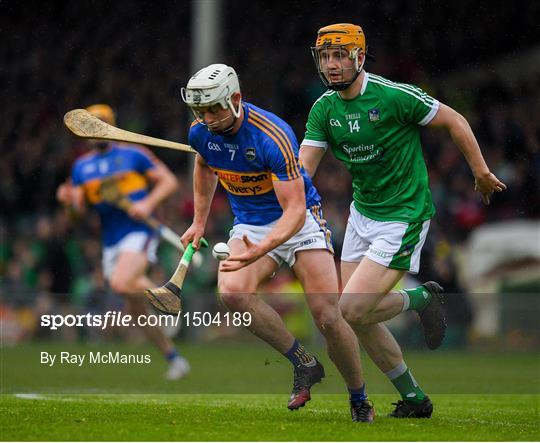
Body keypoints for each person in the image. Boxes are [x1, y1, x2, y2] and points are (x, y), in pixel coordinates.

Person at [300, 23, 507, 418]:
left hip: (404, 215)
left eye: (340, 55)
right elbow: (302, 171)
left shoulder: (393, 95)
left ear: (359, 57)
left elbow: (455, 121)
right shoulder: (324, 108)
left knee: (352, 310)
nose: (331, 64)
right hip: (363, 214)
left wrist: (480, 171)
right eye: (325, 56)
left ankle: (421, 297)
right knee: (358, 318)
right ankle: (414, 399)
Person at [180, 64, 374, 422]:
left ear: (235, 99)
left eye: (214, 109)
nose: (207, 119)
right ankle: (304, 362)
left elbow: (294, 211)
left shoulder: (273, 136)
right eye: (200, 112)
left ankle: (359, 398)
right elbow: (205, 166)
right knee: (233, 294)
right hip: (250, 223)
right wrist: (199, 222)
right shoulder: (201, 133)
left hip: (300, 222)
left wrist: (262, 248)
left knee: (328, 316)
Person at [56, 104, 190, 380]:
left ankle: (167, 301)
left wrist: (148, 203)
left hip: (139, 230)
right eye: (90, 126)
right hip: (111, 239)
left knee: (120, 282)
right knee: (135, 311)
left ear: (111, 126)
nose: (95, 131)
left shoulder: (134, 154)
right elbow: (77, 213)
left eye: (101, 124)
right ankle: (174, 359)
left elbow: (168, 182)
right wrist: (68, 201)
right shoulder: (81, 167)